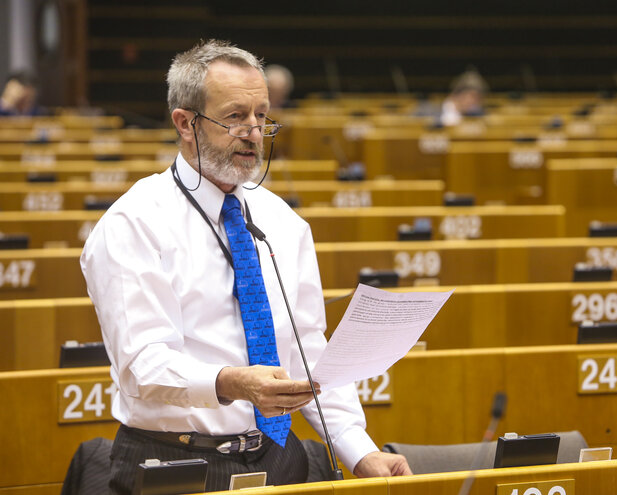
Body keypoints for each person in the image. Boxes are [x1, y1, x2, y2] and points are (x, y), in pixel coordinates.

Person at [80, 40, 411, 494]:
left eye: (262, 115)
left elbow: (307, 349)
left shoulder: (283, 222)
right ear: (185, 123)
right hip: (174, 462)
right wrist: (232, 382)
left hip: (278, 458)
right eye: (235, 116)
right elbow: (142, 366)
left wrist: (359, 448)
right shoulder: (134, 223)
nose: (254, 131)